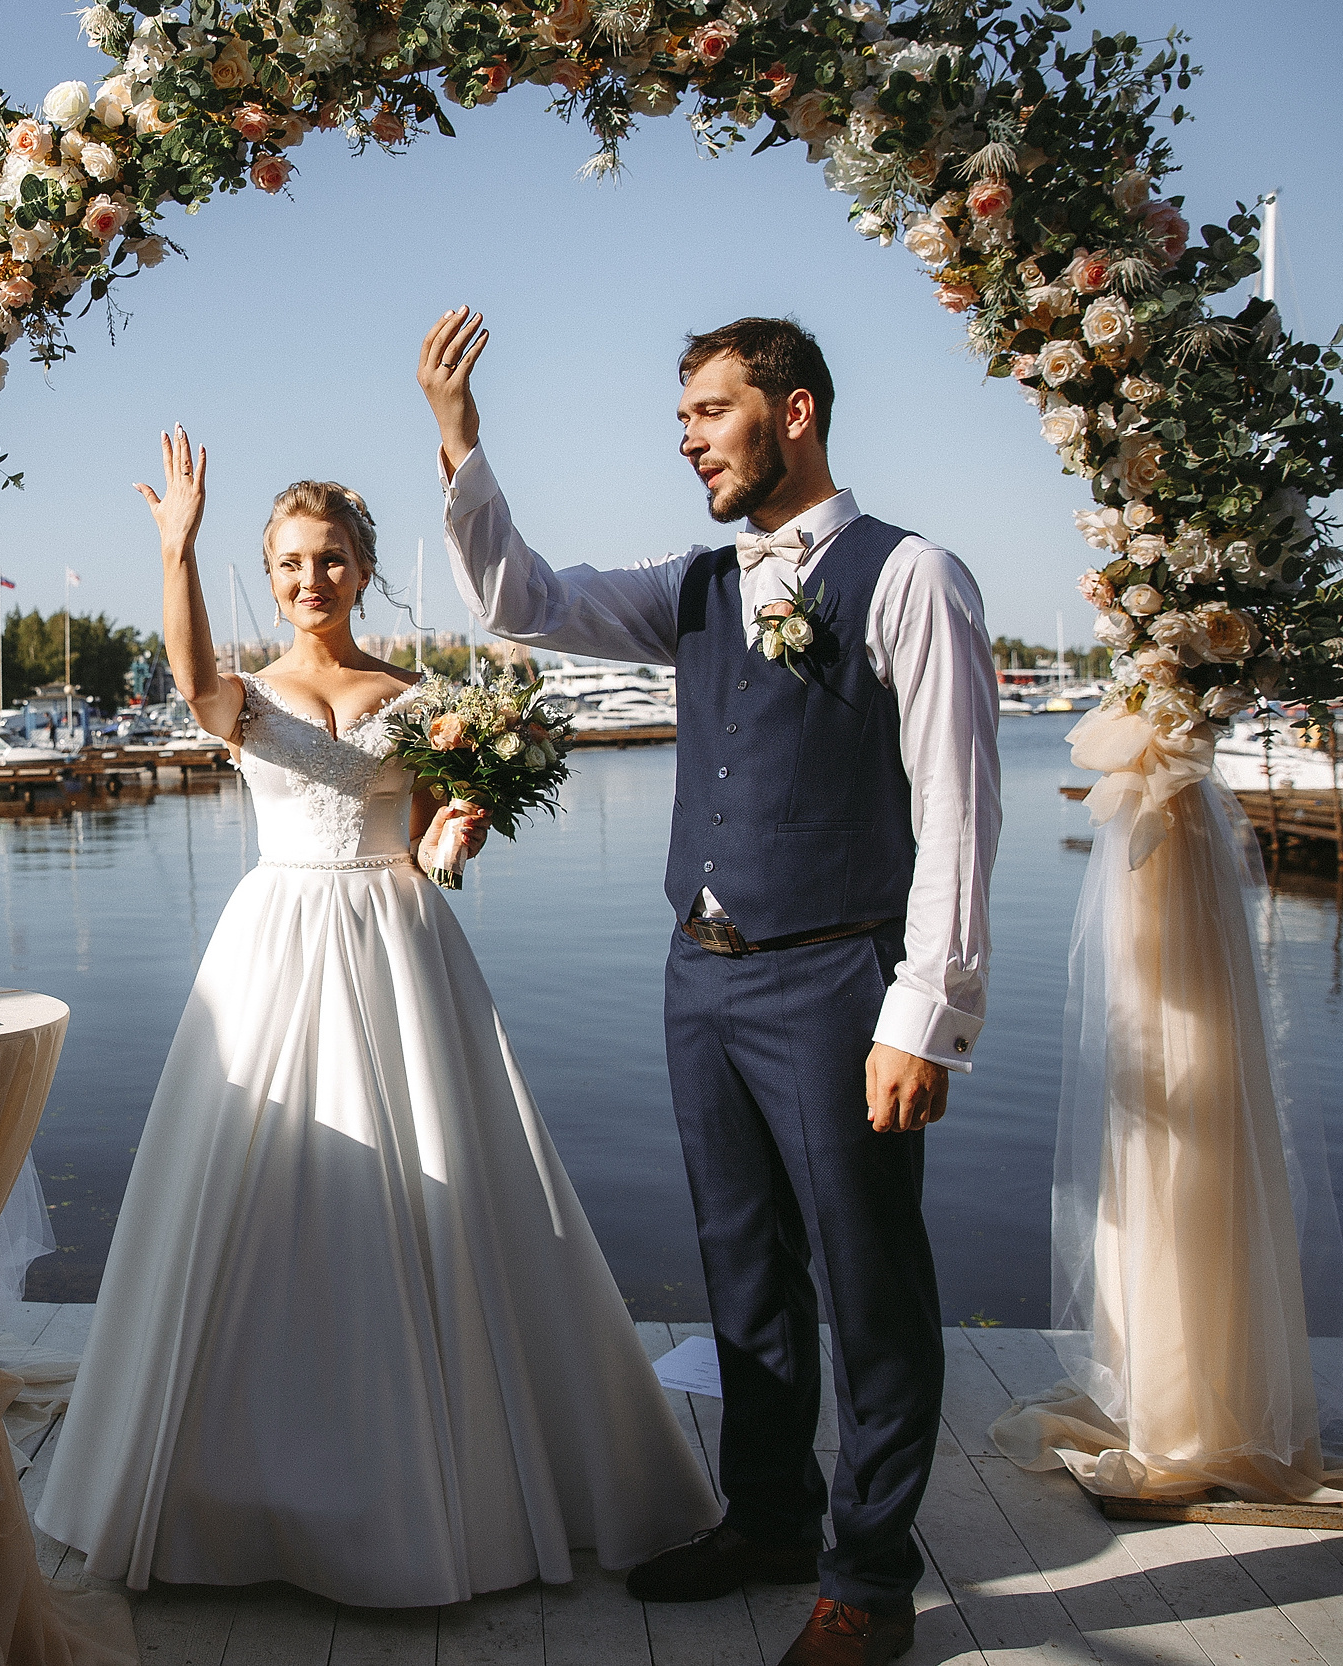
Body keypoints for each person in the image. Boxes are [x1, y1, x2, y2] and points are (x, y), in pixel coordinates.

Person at [34, 426, 719, 1608]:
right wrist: (176, 552)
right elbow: (191, 675)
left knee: (440, 1182)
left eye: (331, 558)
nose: (311, 579)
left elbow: (446, 839)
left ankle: (451, 1486)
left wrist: (458, 833)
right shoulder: (244, 699)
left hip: (400, 942)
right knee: (252, 1190)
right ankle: (226, 1490)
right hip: (273, 945)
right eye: (291, 561)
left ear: (362, 567)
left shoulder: (422, 699)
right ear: (273, 571)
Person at [421, 311, 999, 1666]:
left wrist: (926, 1011)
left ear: (795, 411)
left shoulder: (910, 573)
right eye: (681, 418)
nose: (687, 441)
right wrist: (461, 442)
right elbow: (524, 600)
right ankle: (771, 1516)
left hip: (841, 978)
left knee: (873, 1286)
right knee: (744, 1272)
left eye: (710, 413)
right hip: (704, 975)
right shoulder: (694, 582)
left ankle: (867, 1581)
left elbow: (962, 810)